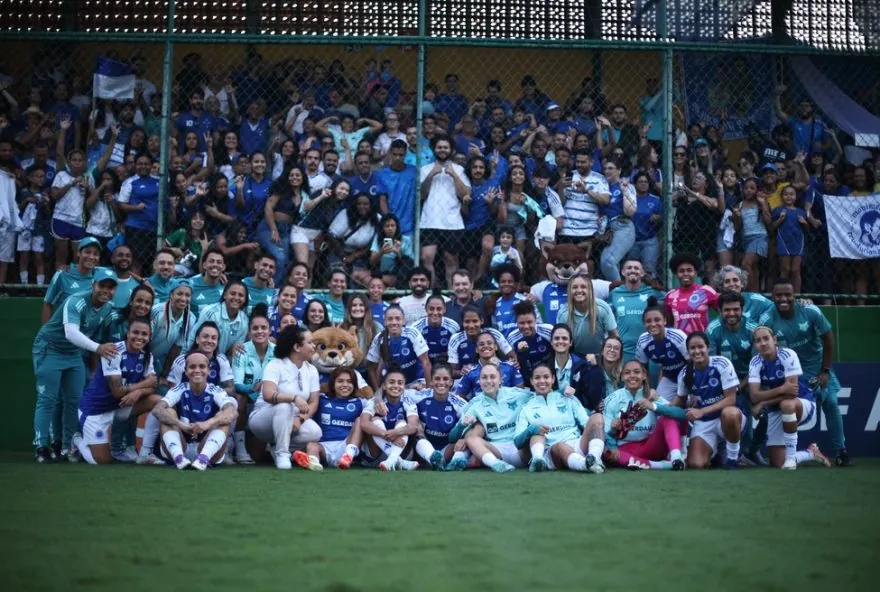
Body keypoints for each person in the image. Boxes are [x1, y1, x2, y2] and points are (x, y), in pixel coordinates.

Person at [32, 268, 119, 463]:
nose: (106, 290)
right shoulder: (76, 300)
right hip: (50, 348)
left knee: (74, 401)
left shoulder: (108, 308)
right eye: (102, 285)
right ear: (93, 285)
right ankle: (41, 446)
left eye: (111, 287)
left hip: (73, 354)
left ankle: (66, 447)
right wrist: (99, 348)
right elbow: (71, 333)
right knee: (48, 399)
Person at [759, 278, 849, 465]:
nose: (784, 299)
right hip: (790, 375)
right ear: (772, 297)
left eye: (788, 294)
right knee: (778, 410)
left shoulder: (810, 311)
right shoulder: (767, 319)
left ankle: (841, 451)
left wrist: (825, 370)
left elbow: (828, 337)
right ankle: (762, 451)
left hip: (817, 368)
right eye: (779, 295)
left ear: (795, 295)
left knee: (831, 403)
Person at [73, 319, 161, 464]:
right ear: (128, 333)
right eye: (135, 332)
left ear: (149, 337)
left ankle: (145, 453)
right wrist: (144, 384)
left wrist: (138, 393)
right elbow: (117, 391)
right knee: (102, 461)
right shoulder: (113, 351)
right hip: (95, 410)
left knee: (158, 401)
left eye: (144, 334)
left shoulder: (147, 355)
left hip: (119, 407)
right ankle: (78, 441)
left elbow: (153, 386)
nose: (139, 337)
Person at [748, 326, 830, 470]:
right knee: (778, 462)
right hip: (775, 409)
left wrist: (763, 402)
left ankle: (791, 459)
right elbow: (754, 396)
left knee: (787, 404)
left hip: (802, 402)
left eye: (766, 339)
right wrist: (781, 389)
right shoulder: (755, 362)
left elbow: (791, 393)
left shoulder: (787, 355)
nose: (763, 343)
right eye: (758, 341)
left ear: (774, 340)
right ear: (755, 345)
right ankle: (811, 453)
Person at [250, 325, 323, 470]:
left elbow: (314, 402)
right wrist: (294, 398)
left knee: (315, 432)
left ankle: (278, 448)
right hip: (263, 419)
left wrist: (300, 419)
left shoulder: (312, 369)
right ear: (297, 347)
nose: (314, 346)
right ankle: (282, 454)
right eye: (310, 342)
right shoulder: (275, 365)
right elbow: (268, 395)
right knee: (284, 406)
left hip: (293, 419)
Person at [151, 351, 238, 470]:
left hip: (207, 448)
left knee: (223, 417)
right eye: (192, 367)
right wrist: (182, 425)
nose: (197, 370)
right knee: (168, 412)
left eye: (202, 367)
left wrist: (207, 424)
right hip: (181, 445)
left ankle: (203, 459)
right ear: (186, 371)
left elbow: (233, 411)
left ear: (208, 370)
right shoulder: (178, 389)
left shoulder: (216, 390)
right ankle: (179, 458)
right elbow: (157, 409)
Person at [513, 362, 606, 473]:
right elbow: (517, 442)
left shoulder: (568, 398)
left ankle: (595, 457)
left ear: (553, 379)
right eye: (537, 378)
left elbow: (586, 424)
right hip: (553, 451)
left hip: (577, 443)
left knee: (597, 417)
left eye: (546, 377)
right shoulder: (526, 408)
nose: (542, 381)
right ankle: (585, 465)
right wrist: (532, 429)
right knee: (560, 447)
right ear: (532, 381)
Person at [447, 363, 533, 472]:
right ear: (479, 381)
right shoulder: (475, 404)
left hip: (521, 450)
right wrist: (461, 425)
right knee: (471, 439)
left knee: (535, 430)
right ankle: (496, 465)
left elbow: (540, 396)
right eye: (484, 377)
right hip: (496, 451)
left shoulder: (518, 394)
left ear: (500, 380)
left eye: (492, 377)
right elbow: (452, 438)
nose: (488, 381)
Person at [677, 332, 744, 469]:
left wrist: (702, 411)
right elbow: (679, 400)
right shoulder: (684, 374)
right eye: (692, 348)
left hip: (727, 418)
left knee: (730, 414)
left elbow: (731, 399)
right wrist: (657, 405)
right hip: (704, 423)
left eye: (700, 347)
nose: (697, 351)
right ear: (688, 351)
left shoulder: (722, 363)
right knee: (696, 464)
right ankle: (716, 454)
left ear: (708, 348)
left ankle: (732, 459)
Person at [603, 360, 686, 470]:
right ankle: (667, 465)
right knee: (608, 454)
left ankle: (676, 458)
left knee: (668, 416)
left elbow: (682, 415)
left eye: (636, 372)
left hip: (652, 445)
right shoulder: (612, 399)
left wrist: (653, 406)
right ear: (622, 377)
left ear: (644, 376)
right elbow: (603, 433)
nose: (632, 376)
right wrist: (612, 431)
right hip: (627, 448)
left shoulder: (652, 396)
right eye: (627, 373)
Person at [419, 135, 470, 288]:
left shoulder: (460, 170)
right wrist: (431, 175)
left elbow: (465, 194)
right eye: (439, 147)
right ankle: (431, 293)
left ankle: (452, 293)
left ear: (451, 150)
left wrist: (453, 175)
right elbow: (422, 195)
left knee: (451, 261)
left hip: (452, 221)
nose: (442, 150)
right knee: (426, 258)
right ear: (434, 149)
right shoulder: (425, 169)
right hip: (429, 220)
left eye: (445, 147)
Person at [231, 305, 276, 460]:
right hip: (248, 398)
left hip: (268, 400)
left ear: (270, 331)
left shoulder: (277, 351)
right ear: (249, 332)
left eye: (264, 328)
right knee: (239, 397)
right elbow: (237, 384)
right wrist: (253, 389)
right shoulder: (241, 350)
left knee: (258, 456)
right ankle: (239, 448)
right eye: (255, 328)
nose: (259, 331)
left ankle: (275, 446)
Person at [359, 365, 421, 471]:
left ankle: (391, 460)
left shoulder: (408, 401)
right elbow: (364, 423)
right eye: (391, 382)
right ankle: (398, 461)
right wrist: (386, 434)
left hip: (402, 452)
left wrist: (396, 432)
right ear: (384, 385)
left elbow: (413, 426)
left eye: (400, 383)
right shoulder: (375, 401)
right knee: (374, 420)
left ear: (404, 386)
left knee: (402, 422)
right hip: (376, 456)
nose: (396, 386)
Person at [408, 364, 469, 470]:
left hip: (448, 449)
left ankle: (455, 462)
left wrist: (465, 439)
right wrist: (378, 398)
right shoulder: (420, 396)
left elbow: (474, 420)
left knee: (465, 438)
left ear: (451, 382)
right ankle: (433, 459)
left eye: (445, 379)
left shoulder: (459, 404)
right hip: (424, 448)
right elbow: (395, 391)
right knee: (416, 427)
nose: (441, 382)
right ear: (431, 381)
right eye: (437, 379)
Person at [305, 367, 365, 469]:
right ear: (332, 384)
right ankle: (313, 462)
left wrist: (379, 401)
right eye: (340, 381)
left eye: (349, 382)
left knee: (360, 420)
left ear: (354, 385)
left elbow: (375, 403)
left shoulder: (361, 402)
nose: (345, 385)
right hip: (324, 445)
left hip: (346, 444)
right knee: (311, 446)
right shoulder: (320, 399)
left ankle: (348, 456)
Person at [257, 165, 308, 285]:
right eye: (291, 175)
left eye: (297, 175)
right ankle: (271, 286)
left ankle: (277, 288)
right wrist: (274, 229)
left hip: (286, 231)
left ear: (303, 178)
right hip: (269, 227)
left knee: (284, 262)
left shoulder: (304, 195)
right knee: (279, 257)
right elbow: (268, 207)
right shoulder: (282, 190)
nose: (294, 178)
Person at [609, 258, 665, 361]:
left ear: (642, 273)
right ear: (623, 272)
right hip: (623, 349)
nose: (633, 270)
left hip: (649, 346)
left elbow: (670, 300)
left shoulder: (652, 291)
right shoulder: (615, 293)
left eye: (636, 268)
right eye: (629, 268)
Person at [366, 305, 431, 390]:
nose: (394, 322)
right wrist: (377, 390)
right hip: (392, 385)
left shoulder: (412, 333)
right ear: (384, 322)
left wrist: (429, 390)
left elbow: (426, 362)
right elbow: (371, 368)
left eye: (397, 319)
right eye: (390, 319)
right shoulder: (379, 339)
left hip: (416, 382)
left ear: (403, 321)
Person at [116, 152, 161, 273]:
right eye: (140, 164)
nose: (143, 166)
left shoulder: (159, 181)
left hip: (155, 229)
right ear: (135, 165)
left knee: (153, 262)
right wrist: (136, 208)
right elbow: (121, 204)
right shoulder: (130, 182)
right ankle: (135, 284)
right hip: (136, 228)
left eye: (146, 164)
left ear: (151, 165)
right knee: (136, 261)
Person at [635, 302, 689, 400]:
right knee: (658, 404)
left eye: (657, 320)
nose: (653, 324)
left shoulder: (678, 336)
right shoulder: (643, 341)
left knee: (689, 403)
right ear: (644, 324)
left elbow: (693, 363)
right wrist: (649, 391)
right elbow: (643, 369)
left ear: (664, 321)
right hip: (669, 379)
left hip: (687, 376)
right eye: (648, 321)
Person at [42, 236, 101, 323]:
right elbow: (48, 304)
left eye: (95, 254)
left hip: (88, 330)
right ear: (78, 253)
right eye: (87, 252)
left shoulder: (100, 276)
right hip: (64, 329)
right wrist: (46, 330)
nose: (91, 257)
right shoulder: (63, 274)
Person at [557, 274, 618, 357]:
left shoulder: (602, 307)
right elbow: (561, 343)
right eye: (575, 287)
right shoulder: (563, 313)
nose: (579, 290)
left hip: (601, 356)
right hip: (575, 357)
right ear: (569, 291)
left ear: (590, 290)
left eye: (583, 287)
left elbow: (614, 336)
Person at [327, 193, 379, 287]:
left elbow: (372, 245)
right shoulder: (346, 214)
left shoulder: (377, 219)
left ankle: (354, 295)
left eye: (366, 204)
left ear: (371, 205)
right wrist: (343, 256)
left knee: (356, 279)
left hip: (361, 254)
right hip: (339, 250)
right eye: (359, 204)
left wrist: (354, 256)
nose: (362, 206)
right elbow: (331, 236)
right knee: (338, 276)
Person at [597, 158, 637, 281]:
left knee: (608, 261)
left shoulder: (626, 186)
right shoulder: (602, 187)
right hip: (606, 230)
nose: (607, 171)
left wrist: (625, 192)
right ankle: (618, 289)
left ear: (619, 170)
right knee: (613, 263)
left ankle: (618, 289)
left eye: (611, 168)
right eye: (605, 169)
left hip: (622, 226)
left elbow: (630, 212)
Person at [447, 306, 514, 377]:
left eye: (475, 321)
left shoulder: (494, 334)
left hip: (495, 377)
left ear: (481, 321)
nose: (471, 325)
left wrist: (513, 364)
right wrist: (461, 372)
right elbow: (451, 371)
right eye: (467, 321)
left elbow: (513, 358)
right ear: (462, 323)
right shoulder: (455, 339)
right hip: (467, 379)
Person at [455, 330, 523, 399]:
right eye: (481, 344)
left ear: (496, 347)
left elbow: (520, 393)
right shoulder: (469, 371)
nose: (486, 346)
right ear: (476, 349)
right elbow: (458, 397)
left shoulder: (510, 367)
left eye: (489, 343)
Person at [189, 280, 249, 358]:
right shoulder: (210, 313)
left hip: (221, 360)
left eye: (241, 295)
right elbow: (193, 339)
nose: (236, 298)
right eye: (233, 294)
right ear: (225, 295)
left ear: (245, 299)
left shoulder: (244, 321)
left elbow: (233, 351)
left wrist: (233, 350)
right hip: (197, 357)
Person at [149, 278, 196, 378]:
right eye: (179, 294)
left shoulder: (191, 318)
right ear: (171, 295)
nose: (183, 298)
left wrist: (164, 375)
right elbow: (144, 341)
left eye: (187, 295)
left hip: (160, 360)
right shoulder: (156, 312)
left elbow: (176, 348)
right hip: (143, 356)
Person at [665, 252, 719, 335]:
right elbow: (669, 325)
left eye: (689, 270)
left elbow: (723, 312)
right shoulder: (670, 296)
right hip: (680, 341)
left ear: (695, 273)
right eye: (681, 271)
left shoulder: (706, 291)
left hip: (702, 340)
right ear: (676, 274)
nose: (685, 274)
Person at [771, 185, 809, 295]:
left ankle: (796, 296)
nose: (789, 196)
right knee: (785, 269)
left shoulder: (801, 212)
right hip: (784, 242)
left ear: (796, 197)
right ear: (782, 196)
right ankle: (782, 294)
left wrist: (805, 223)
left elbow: (807, 230)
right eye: (786, 194)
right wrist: (780, 219)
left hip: (798, 243)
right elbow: (772, 227)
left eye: (791, 194)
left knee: (796, 270)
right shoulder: (778, 210)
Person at [507, 300, 553, 386]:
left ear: (536, 320)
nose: (526, 326)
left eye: (529, 322)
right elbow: (513, 362)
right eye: (521, 323)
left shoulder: (548, 330)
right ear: (516, 323)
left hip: (548, 379)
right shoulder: (512, 338)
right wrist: (518, 355)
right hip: (526, 382)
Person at [627, 172, 663, 278]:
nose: (643, 184)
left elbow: (662, 218)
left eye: (646, 182)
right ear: (635, 184)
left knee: (649, 271)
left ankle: (649, 288)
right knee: (631, 271)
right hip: (631, 241)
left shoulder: (655, 200)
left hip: (649, 240)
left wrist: (657, 218)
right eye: (640, 182)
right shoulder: (629, 199)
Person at [338, 293, 382, 371]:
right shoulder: (342, 328)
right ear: (349, 309)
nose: (357, 308)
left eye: (361, 305)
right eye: (354, 305)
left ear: (366, 308)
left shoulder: (377, 327)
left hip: (370, 370)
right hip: (347, 370)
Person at [412, 295, 460, 365]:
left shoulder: (453, 326)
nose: (435, 313)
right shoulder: (416, 328)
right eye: (431, 309)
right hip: (422, 365)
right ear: (426, 309)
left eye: (439, 309)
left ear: (444, 309)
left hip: (446, 365)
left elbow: (456, 353)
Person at [487, 264, 532, 338]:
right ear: (498, 284)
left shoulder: (525, 300)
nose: (506, 284)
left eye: (510, 281)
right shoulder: (494, 304)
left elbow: (536, 324)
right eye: (503, 281)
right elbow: (495, 331)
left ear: (515, 283)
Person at [369, 213, 413, 288]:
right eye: (387, 226)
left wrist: (398, 252)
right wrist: (381, 252)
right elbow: (372, 262)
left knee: (406, 261)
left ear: (397, 227)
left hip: (399, 275)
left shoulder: (406, 240)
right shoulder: (378, 239)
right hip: (382, 273)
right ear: (382, 228)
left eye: (393, 226)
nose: (390, 228)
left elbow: (409, 264)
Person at [189, 247, 226, 314]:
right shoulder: (190, 284)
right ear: (204, 265)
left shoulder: (227, 287)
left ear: (223, 267)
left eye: (219, 262)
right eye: (211, 261)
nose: (215, 264)